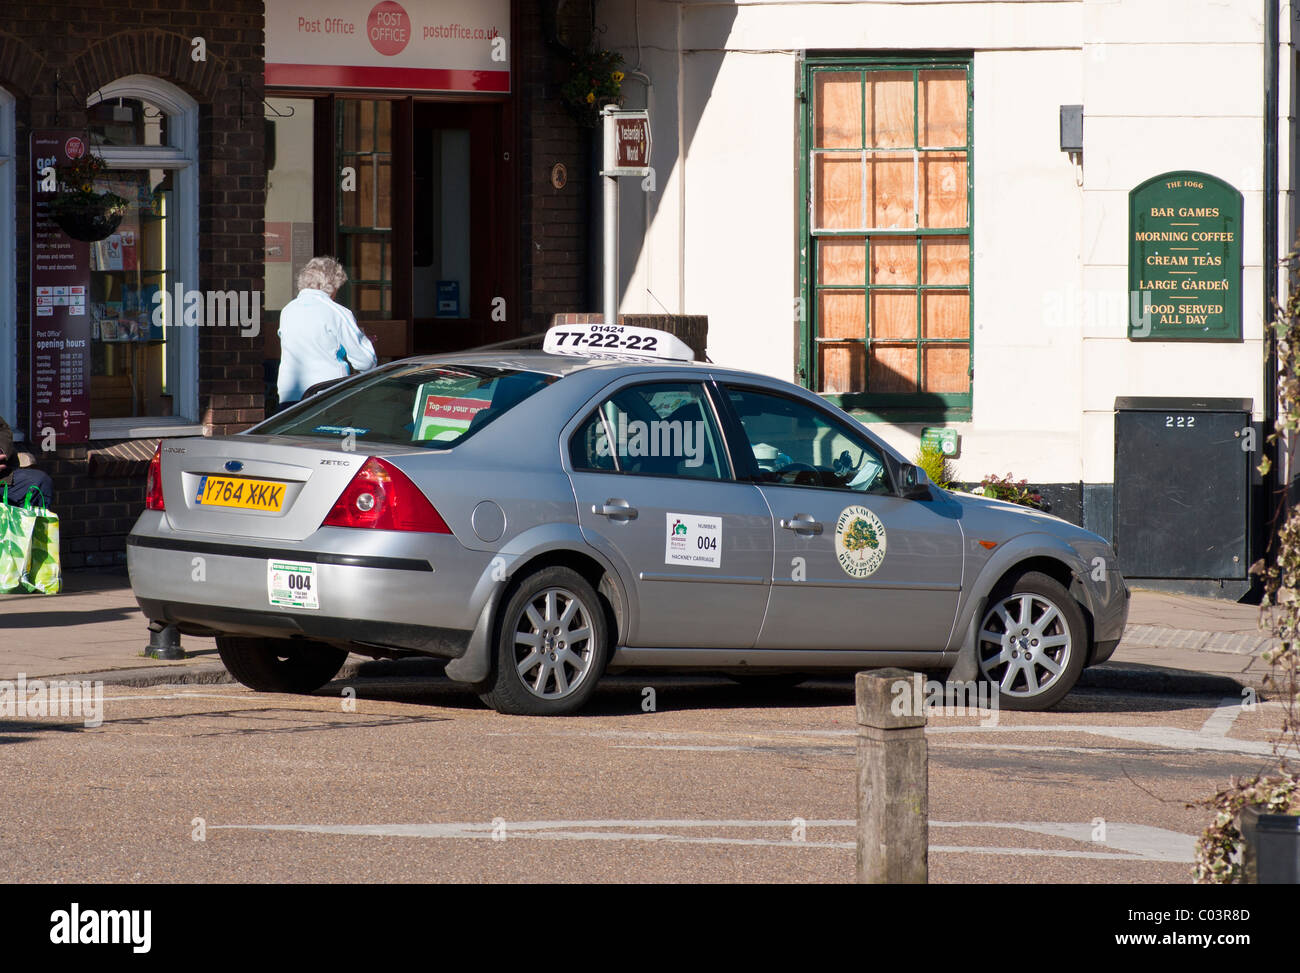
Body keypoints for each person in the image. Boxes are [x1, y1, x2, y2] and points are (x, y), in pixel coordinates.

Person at [276, 257, 377, 410]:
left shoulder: (288, 310)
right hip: (328, 396)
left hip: (289, 397)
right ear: (332, 285)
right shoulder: (337, 312)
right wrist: (363, 344)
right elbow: (365, 362)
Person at [0, 415, 54, 506]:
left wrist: (1, 450)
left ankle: (33, 519)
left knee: (40, 482)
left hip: (3, 477)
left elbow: (3, 430)